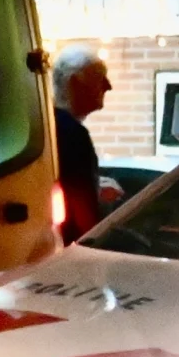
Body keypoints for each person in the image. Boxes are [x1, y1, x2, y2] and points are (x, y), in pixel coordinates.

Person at [50, 43, 112, 239]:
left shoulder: (49, 127)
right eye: (99, 78)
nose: (108, 86)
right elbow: (86, 221)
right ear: (76, 83)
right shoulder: (73, 135)